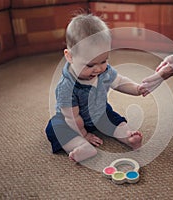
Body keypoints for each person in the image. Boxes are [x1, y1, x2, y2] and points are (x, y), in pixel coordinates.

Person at [45, 14, 148, 162]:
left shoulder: (104, 71)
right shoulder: (66, 86)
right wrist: (84, 135)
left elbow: (119, 81)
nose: (98, 69)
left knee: (114, 118)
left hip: (100, 112)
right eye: (90, 65)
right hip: (72, 121)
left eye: (103, 61)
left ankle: (128, 137)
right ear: (70, 57)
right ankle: (80, 146)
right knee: (54, 128)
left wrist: (137, 89)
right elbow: (72, 117)